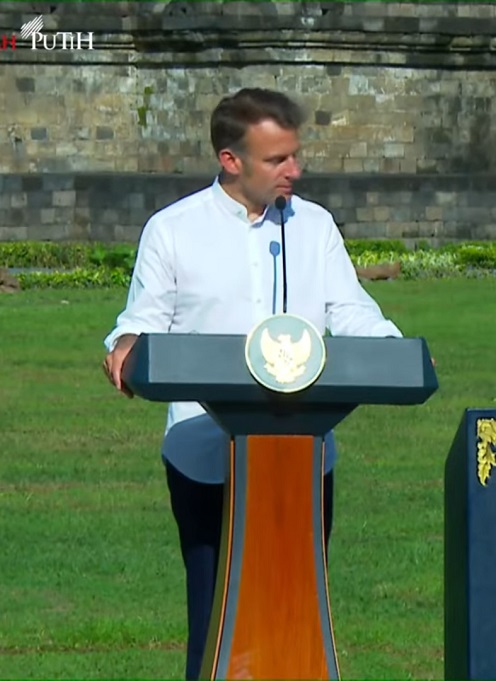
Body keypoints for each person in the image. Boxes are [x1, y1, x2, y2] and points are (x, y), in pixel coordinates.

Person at [101, 87, 404, 680]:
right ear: (230, 160)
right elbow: (139, 323)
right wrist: (125, 347)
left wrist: (397, 352)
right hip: (203, 454)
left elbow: (352, 311)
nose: (295, 169)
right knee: (216, 621)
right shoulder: (172, 230)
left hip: (304, 455)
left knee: (296, 613)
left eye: (295, 155)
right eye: (277, 159)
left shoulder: (313, 226)